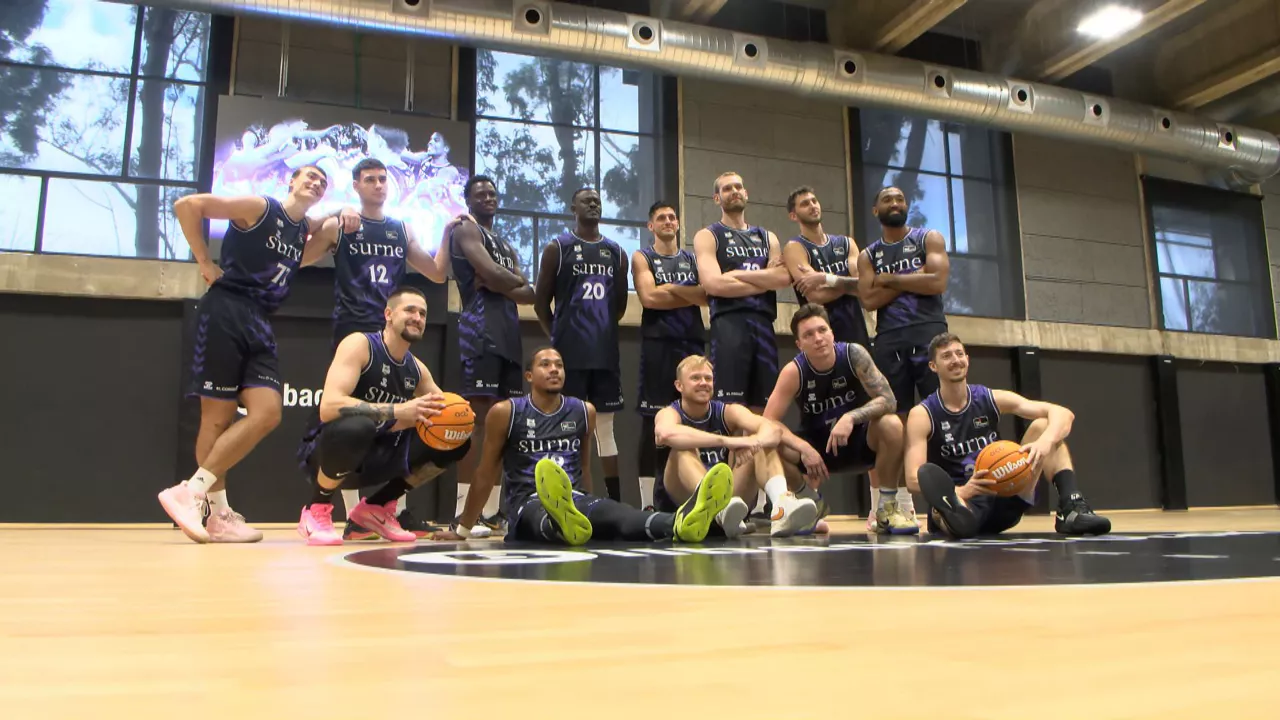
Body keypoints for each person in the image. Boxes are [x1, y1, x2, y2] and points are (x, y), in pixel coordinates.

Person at [159, 165, 338, 544]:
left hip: (259, 319)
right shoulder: (260, 207)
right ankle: (217, 512)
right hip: (226, 309)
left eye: (322, 182)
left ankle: (191, 492)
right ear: (291, 181)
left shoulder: (298, 235)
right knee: (216, 420)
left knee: (268, 412)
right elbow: (187, 204)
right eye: (309, 176)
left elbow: (316, 237)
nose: (316, 182)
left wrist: (334, 220)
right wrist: (205, 262)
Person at [300, 157, 457, 539]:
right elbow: (301, 255)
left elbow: (436, 272)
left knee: (403, 422)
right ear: (356, 186)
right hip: (356, 329)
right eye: (369, 179)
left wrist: (450, 230)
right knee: (351, 421)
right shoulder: (344, 222)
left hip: (394, 332)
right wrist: (335, 214)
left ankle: (380, 511)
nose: (378, 185)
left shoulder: (400, 230)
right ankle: (330, 509)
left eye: (383, 179)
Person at [442, 347, 733, 546]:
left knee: (619, 515)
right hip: (527, 501)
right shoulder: (507, 411)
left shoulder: (583, 410)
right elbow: (486, 472)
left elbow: (583, 467)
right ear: (529, 376)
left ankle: (683, 522)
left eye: (559, 365)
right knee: (539, 516)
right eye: (545, 364)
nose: (554, 369)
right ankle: (562, 522)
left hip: (576, 497)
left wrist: (592, 504)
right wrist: (463, 528)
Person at [296, 287, 470, 545]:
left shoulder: (417, 369)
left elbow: (443, 410)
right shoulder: (360, 345)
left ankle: (376, 509)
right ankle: (316, 509)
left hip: (375, 458)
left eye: (423, 313)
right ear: (388, 314)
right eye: (410, 310)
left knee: (455, 438)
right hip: (327, 452)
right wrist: (399, 411)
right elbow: (329, 406)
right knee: (359, 426)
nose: (417, 317)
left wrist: (461, 414)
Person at [906, 333, 1111, 539]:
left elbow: (1063, 413)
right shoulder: (923, 414)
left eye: (959, 354)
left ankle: (1071, 507)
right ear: (933, 366)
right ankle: (948, 514)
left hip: (1004, 489)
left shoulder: (990, 398)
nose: (955, 360)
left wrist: (1044, 443)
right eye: (947, 356)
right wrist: (960, 491)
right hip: (965, 497)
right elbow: (914, 478)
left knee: (1043, 426)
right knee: (953, 509)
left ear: (967, 359)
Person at [763, 304, 917, 534]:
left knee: (892, 423)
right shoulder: (794, 371)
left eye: (822, 330)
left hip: (858, 443)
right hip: (816, 452)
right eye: (808, 335)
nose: (818, 338)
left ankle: (886, 508)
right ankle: (809, 503)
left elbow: (889, 400)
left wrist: (851, 417)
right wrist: (803, 447)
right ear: (799, 344)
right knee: (768, 442)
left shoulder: (853, 354)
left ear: (832, 332)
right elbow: (767, 422)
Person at [450, 175, 536, 533]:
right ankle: (464, 511)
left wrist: (504, 280)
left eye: (492, 193)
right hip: (480, 331)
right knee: (479, 422)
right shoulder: (465, 231)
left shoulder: (505, 243)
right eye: (480, 193)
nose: (488, 197)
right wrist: (506, 280)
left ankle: (492, 511)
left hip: (509, 336)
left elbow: (529, 293)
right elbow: (487, 272)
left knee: (504, 424)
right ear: (468, 200)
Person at [655, 355, 820, 538]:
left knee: (760, 439)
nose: (703, 383)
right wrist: (731, 442)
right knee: (682, 447)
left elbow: (772, 430)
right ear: (679, 386)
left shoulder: (727, 411)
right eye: (695, 378)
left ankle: (782, 508)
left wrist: (754, 442)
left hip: (731, 506)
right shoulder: (669, 413)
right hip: (686, 504)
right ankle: (714, 508)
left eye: (708, 378)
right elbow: (666, 434)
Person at [534, 188, 629, 504]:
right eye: (586, 200)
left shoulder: (616, 252)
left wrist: (597, 331)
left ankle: (613, 502)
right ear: (572, 207)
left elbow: (618, 308)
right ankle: (566, 497)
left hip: (604, 355)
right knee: (566, 426)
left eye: (598, 200)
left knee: (605, 430)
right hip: (569, 356)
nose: (593, 203)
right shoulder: (557, 248)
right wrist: (559, 339)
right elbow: (539, 304)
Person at [692, 172, 792, 413]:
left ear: (746, 194)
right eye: (727, 189)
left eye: (738, 187)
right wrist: (763, 281)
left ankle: (760, 452)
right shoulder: (708, 235)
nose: (734, 191)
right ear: (717, 198)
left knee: (766, 409)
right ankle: (733, 451)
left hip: (764, 325)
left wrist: (736, 275)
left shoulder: (768, 238)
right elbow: (713, 285)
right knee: (731, 408)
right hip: (729, 324)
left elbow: (782, 278)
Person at [632, 201, 707, 511]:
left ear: (678, 224)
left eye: (672, 217)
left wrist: (670, 288)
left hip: (692, 345)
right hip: (658, 345)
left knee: (695, 419)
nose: (667, 221)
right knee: (653, 422)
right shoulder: (642, 256)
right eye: (661, 218)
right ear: (651, 226)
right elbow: (649, 298)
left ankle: (693, 496)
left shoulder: (692, 257)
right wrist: (686, 292)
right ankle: (649, 503)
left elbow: (706, 295)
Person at [856, 186, 950, 412]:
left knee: (941, 407)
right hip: (889, 338)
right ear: (876, 211)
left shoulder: (928, 238)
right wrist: (917, 275)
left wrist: (889, 279)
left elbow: (938, 282)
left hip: (929, 330)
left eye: (900, 199)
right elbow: (868, 300)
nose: (895, 203)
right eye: (887, 200)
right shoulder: (867, 255)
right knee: (895, 412)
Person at [782, 186, 870, 348]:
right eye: (805, 204)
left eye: (814, 201)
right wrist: (849, 284)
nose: (812, 206)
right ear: (793, 215)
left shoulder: (846, 243)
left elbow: (865, 286)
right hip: (821, 338)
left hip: (856, 331)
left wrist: (826, 278)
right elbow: (816, 295)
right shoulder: (795, 248)